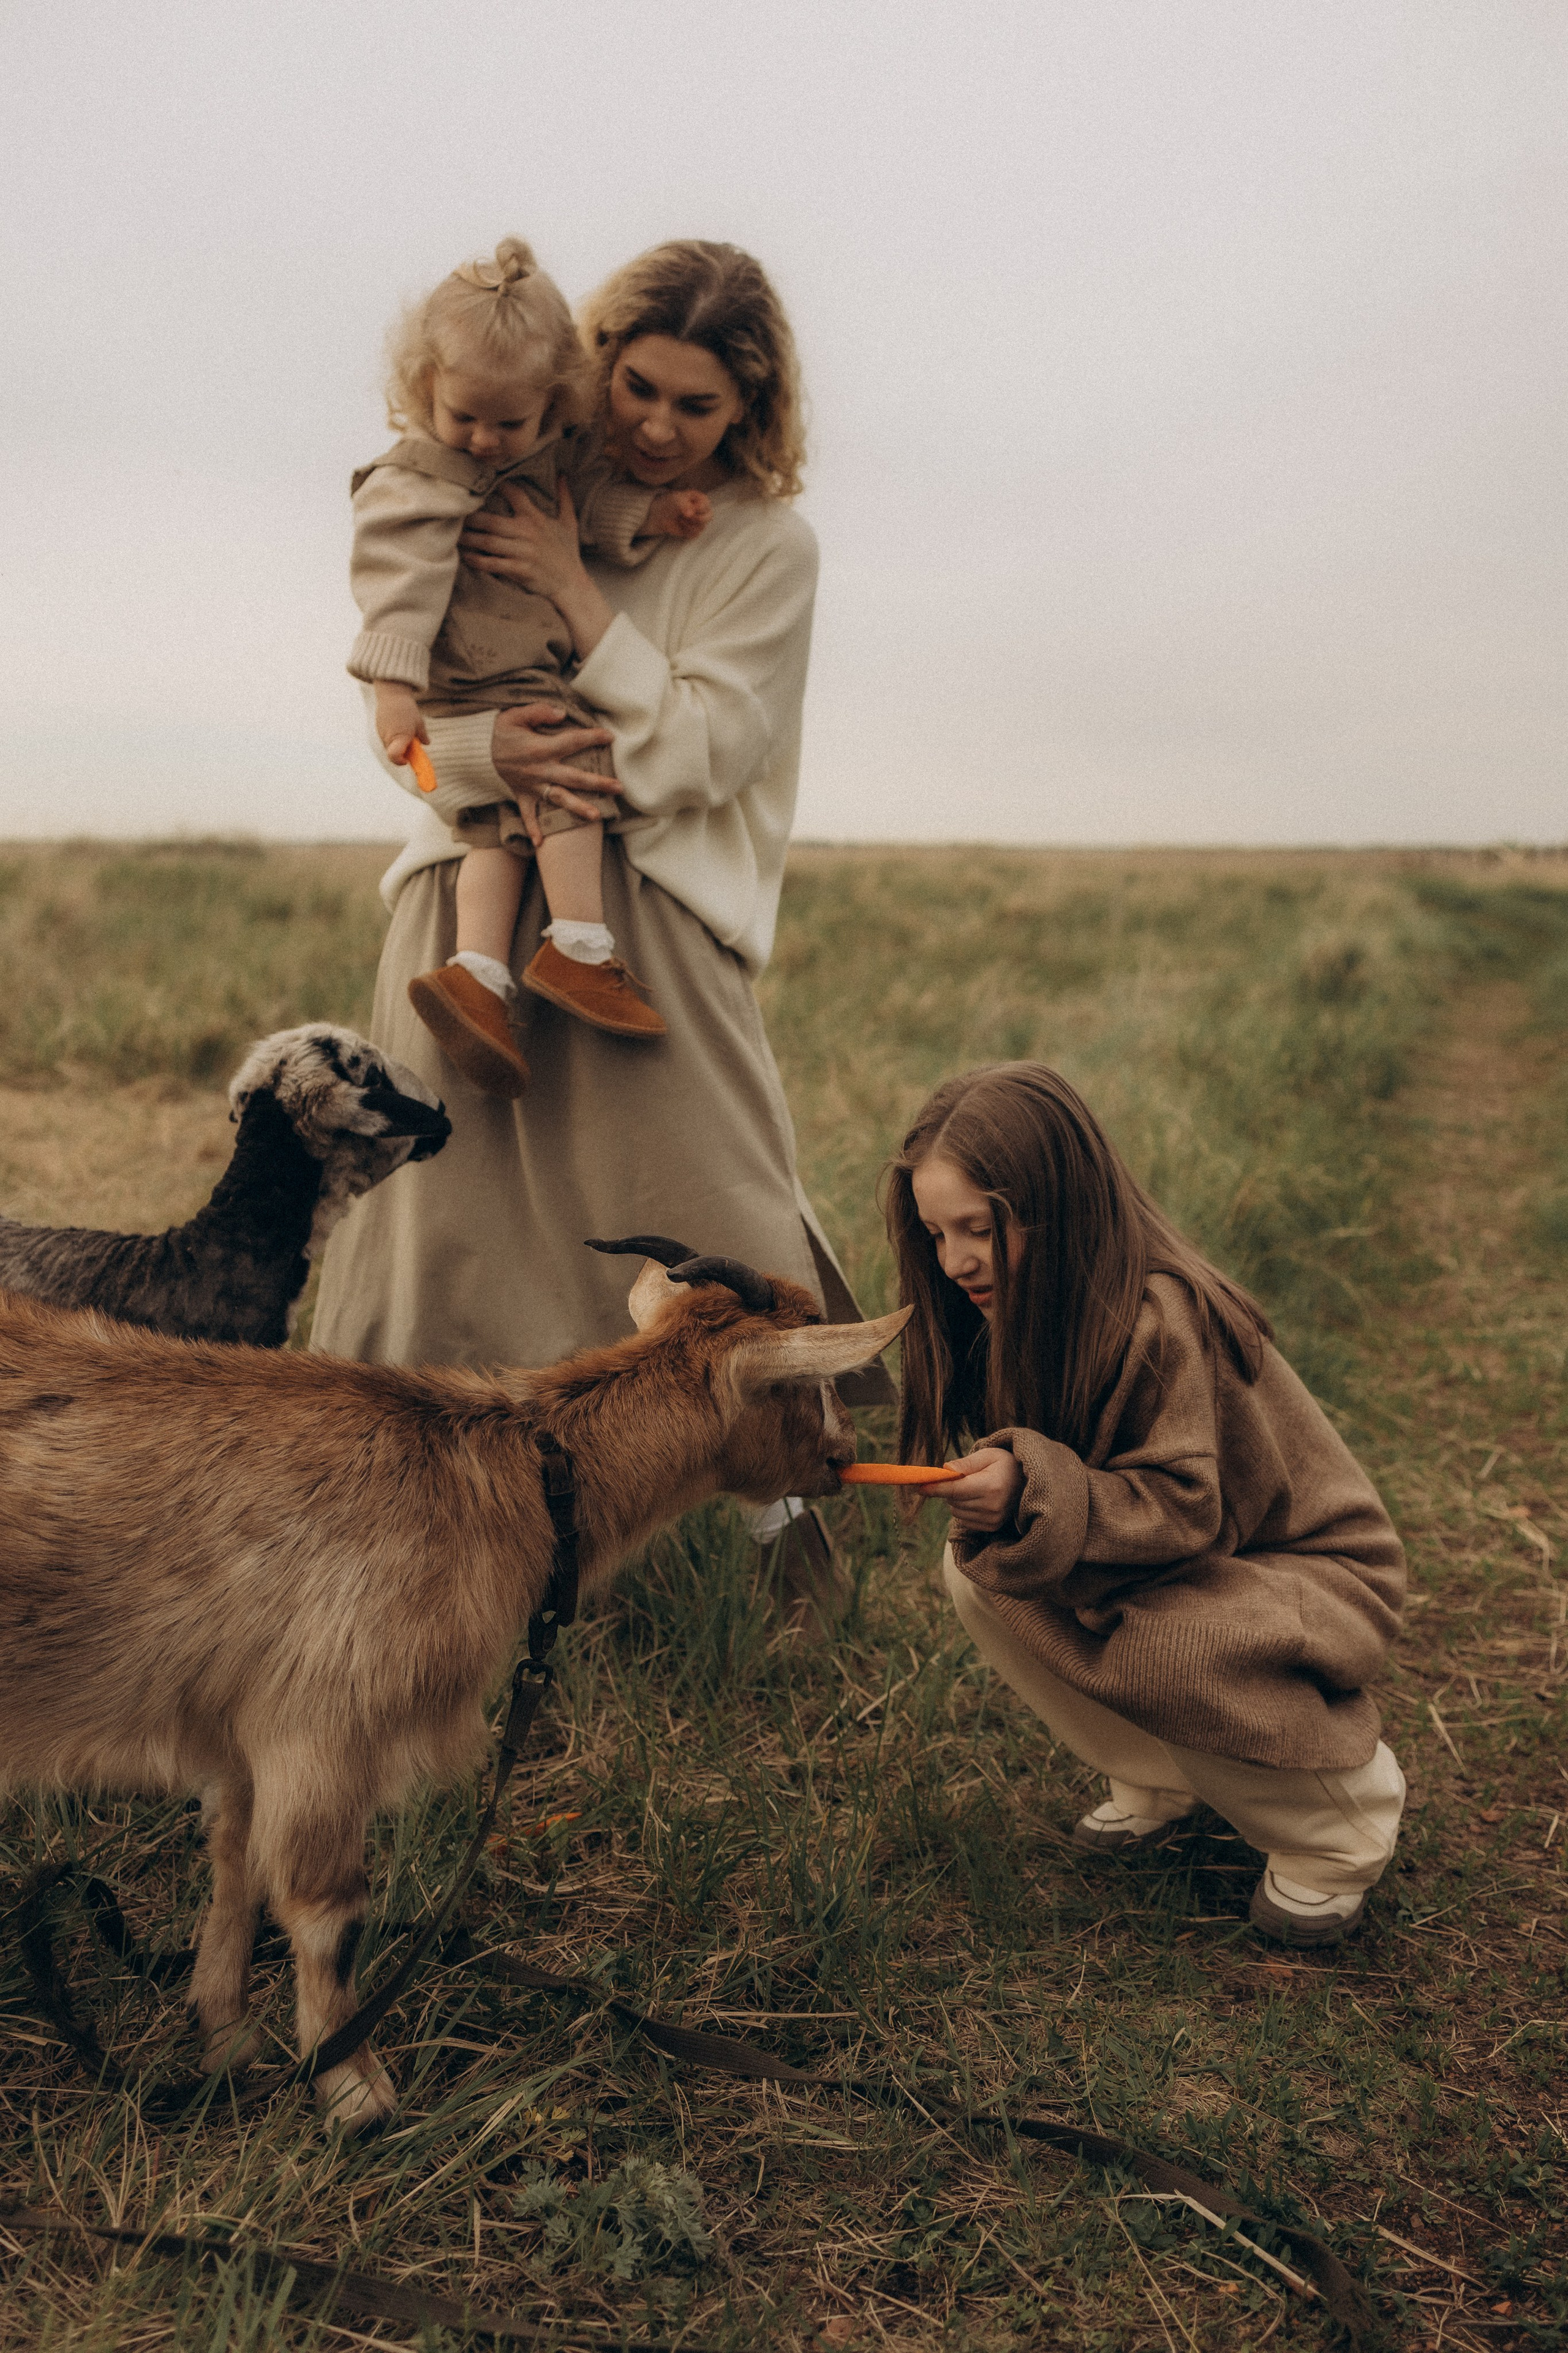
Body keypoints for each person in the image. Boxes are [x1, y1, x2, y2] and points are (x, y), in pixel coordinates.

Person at [314, 239, 891, 1623]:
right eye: (635, 386)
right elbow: (407, 718)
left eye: (695, 407)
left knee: (717, 1237)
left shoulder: (759, 546)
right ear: (594, 365)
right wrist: (477, 753)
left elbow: (700, 749)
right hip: (466, 900)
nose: (654, 424)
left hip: (645, 926)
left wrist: (578, 593)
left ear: (748, 414)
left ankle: (781, 1560)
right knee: (430, 1238)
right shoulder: (511, 474)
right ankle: (401, 1557)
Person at [887, 1063, 1408, 1947]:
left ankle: (1342, 1824)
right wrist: (1016, 1499)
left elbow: (1183, 1505)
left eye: (978, 1227)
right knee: (984, 1573)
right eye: (936, 1232)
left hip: (1311, 1572)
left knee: (1167, 1641)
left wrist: (1032, 1485)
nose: (955, 1260)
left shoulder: (1159, 1314)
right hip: (1190, 1556)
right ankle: (1164, 1771)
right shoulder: (1017, 1308)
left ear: (1061, 1206)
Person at [349, 235, 715, 1096]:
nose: (482, 440)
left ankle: (476, 975)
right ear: (423, 390)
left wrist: (652, 516)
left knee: (496, 832)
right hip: (486, 671)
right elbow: (394, 591)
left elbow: (581, 507)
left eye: (508, 423)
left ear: (553, 408)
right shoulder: (415, 481)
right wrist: (395, 693)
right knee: (572, 768)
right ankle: (581, 945)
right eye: (463, 416)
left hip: (501, 676)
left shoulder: (540, 459)